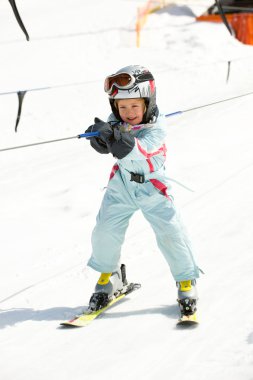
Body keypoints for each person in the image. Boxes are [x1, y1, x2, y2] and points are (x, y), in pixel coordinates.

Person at [85, 65, 200, 316]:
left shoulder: (157, 127)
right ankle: (111, 276)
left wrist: (115, 139)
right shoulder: (117, 121)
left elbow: (140, 150)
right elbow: (112, 144)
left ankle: (185, 280)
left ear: (148, 102)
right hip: (122, 184)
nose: (128, 113)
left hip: (152, 186)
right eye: (121, 107)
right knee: (104, 230)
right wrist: (101, 138)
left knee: (171, 232)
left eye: (134, 106)